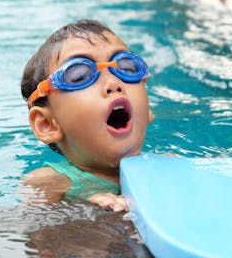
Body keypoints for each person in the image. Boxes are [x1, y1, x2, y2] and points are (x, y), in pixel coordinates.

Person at [21, 19, 151, 211]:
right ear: (47, 124)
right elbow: (36, 237)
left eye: (126, 68)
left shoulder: (166, 165)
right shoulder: (48, 182)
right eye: (80, 76)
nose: (114, 84)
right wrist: (87, 217)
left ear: (148, 111)